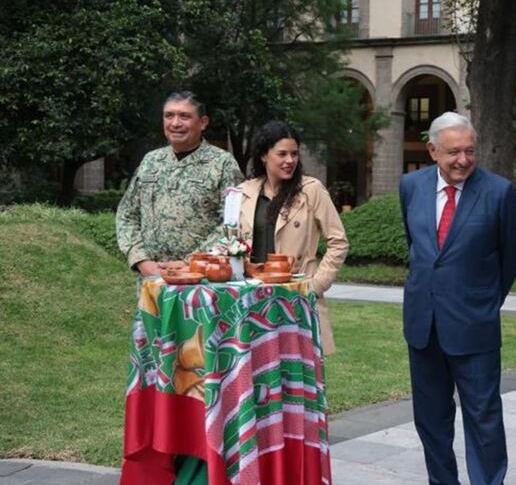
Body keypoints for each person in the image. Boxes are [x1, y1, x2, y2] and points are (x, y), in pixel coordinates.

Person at [399, 111, 516, 485]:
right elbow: (418, 248)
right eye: (453, 151)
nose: (463, 159)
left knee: (482, 415)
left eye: (470, 150)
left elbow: (509, 259)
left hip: (473, 324)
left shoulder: (500, 193)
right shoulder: (410, 187)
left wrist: (484, 303)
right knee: (430, 415)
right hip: (423, 323)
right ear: (432, 150)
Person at [237, 120, 349, 355]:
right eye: (282, 154)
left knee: (297, 376)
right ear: (264, 156)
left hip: (296, 296)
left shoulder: (311, 189)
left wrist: (316, 286)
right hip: (251, 297)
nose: (290, 160)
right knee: (257, 372)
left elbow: (338, 241)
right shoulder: (244, 191)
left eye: (294, 154)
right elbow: (232, 240)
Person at [116, 91, 243, 275]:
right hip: (151, 279)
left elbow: (232, 224)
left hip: (200, 280)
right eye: (169, 116)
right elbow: (127, 215)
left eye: (185, 116)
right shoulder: (151, 161)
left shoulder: (223, 163)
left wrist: (191, 262)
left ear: (203, 123)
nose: (175, 123)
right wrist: (141, 260)